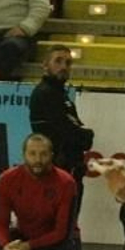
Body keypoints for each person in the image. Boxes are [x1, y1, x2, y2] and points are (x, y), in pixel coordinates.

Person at [28, 46, 93, 201]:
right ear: (45, 65)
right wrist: (86, 135)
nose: (63, 67)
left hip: (68, 169)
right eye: (58, 61)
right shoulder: (45, 93)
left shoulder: (61, 95)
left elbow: (74, 127)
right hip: (55, 171)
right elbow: (67, 131)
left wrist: (82, 134)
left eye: (68, 63)